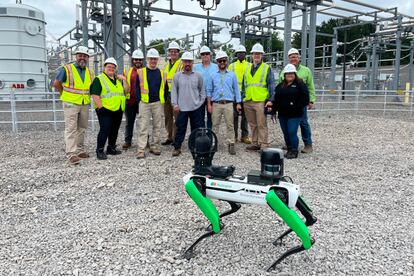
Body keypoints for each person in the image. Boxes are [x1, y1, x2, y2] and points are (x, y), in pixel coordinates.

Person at [54, 46, 92, 165]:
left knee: (82, 128)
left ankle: (80, 151)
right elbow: (57, 83)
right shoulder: (67, 69)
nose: (82, 58)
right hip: (70, 103)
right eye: (80, 55)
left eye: (85, 56)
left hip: (84, 103)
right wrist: (64, 95)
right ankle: (71, 154)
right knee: (71, 128)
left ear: (88, 58)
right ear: (76, 56)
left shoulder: (90, 73)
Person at [90, 58, 128, 160]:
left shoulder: (117, 80)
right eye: (109, 66)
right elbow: (95, 94)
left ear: (115, 69)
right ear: (104, 67)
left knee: (114, 129)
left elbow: (126, 91)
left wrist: (125, 80)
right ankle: (100, 150)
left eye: (113, 67)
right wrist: (100, 107)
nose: (111, 68)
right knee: (105, 129)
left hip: (118, 109)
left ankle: (111, 148)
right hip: (105, 109)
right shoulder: (99, 79)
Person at [279, 48, 316, 154]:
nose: (293, 59)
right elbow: (281, 87)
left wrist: (311, 100)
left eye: (295, 56)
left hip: (301, 104)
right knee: (288, 124)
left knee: (303, 123)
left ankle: (308, 144)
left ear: (299, 58)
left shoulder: (306, 71)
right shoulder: (284, 71)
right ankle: (290, 144)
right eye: (291, 57)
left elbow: (310, 86)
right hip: (287, 105)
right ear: (288, 59)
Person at [170, 51, 205, 157]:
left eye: (189, 61)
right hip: (181, 108)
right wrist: (175, 104)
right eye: (185, 61)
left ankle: (195, 146)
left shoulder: (198, 76)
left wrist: (200, 103)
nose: (187, 63)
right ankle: (177, 147)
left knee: (196, 128)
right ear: (182, 62)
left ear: (192, 63)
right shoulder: (177, 76)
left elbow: (202, 91)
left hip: (196, 107)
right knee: (180, 128)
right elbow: (174, 91)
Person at [206, 51, 242, 155]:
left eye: (224, 60)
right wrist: (209, 104)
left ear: (227, 61)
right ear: (217, 62)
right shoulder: (212, 75)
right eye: (220, 61)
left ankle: (231, 144)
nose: (222, 62)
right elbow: (209, 90)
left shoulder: (232, 75)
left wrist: (238, 103)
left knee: (230, 125)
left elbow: (236, 90)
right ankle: (214, 144)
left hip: (228, 104)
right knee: (215, 125)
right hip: (216, 103)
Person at [135, 48, 168, 159]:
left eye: (155, 59)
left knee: (157, 126)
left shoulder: (162, 73)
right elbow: (136, 88)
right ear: (148, 59)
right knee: (143, 126)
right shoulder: (141, 72)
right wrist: (141, 99)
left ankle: (155, 147)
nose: (153, 61)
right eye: (151, 59)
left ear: (157, 60)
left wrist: (162, 100)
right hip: (144, 103)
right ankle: (141, 149)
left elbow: (165, 89)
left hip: (157, 103)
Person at [242, 43, 275, 151]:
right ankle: (255, 143)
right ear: (252, 55)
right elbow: (244, 84)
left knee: (261, 124)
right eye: (255, 53)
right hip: (248, 100)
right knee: (252, 124)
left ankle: (264, 145)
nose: (256, 55)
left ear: (262, 55)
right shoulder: (247, 68)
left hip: (260, 101)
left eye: (259, 54)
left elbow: (271, 84)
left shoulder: (266, 68)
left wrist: (271, 99)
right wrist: (243, 97)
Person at [272, 64, 309, 159]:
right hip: (283, 114)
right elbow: (276, 100)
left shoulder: (300, 85)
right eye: (287, 73)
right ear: (284, 75)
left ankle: (294, 150)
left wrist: (296, 106)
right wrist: (273, 111)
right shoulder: (280, 86)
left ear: (295, 74)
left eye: (291, 73)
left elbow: (305, 98)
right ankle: (289, 148)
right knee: (286, 132)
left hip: (295, 114)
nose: (289, 75)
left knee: (292, 131)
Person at [228, 44, 251, 144]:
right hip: (234, 95)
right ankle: (235, 136)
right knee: (234, 117)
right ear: (236, 54)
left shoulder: (250, 65)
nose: (241, 55)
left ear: (245, 54)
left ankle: (244, 136)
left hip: (246, 95)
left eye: (242, 53)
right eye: (239, 53)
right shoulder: (232, 66)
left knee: (245, 117)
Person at [122, 49, 144, 149]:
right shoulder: (127, 71)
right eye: (136, 59)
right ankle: (128, 141)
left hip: (142, 101)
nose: (137, 61)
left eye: (139, 59)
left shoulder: (145, 71)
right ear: (132, 60)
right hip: (130, 101)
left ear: (142, 61)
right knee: (129, 122)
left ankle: (144, 141)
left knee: (143, 123)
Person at [162, 41, 183, 146]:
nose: (173, 53)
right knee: (168, 117)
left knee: (177, 118)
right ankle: (169, 137)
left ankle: (176, 139)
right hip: (167, 95)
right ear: (169, 52)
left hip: (177, 96)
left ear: (178, 53)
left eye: (175, 51)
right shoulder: (166, 65)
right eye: (171, 51)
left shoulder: (181, 64)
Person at [194, 45, 218, 129]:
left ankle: (210, 137)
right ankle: (201, 137)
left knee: (211, 117)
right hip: (200, 96)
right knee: (199, 118)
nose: (205, 55)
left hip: (212, 96)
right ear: (200, 55)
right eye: (203, 54)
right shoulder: (195, 68)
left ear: (210, 55)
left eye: (207, 54)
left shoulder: (216, 67)